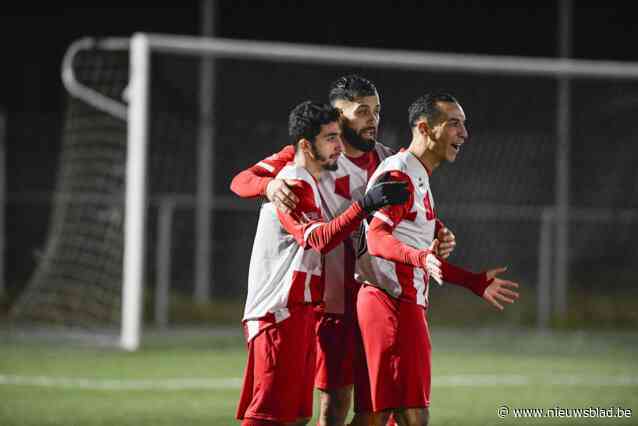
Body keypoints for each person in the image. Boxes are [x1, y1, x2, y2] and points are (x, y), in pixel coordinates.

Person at [231, 75, 458, 426]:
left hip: (375, 295)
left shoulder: (386, 158)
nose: (374, 119)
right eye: (363, 111)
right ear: (338, 116)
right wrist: (269, 184)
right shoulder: (304, 157)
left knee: (377, 411)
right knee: (332, 406)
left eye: (377, 111)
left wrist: (438, 231)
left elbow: (409, 210)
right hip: (329, 303)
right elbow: (240, 181)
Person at [355, 92, 521, 426]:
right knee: (405, 415)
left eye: (465, 124)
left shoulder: (417, 176)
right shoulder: (401, 176)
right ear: (425, 128)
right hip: (391, 305)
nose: (464, 134)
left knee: (386, 415)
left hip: (401, 303)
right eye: (454, 124)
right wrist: (419, 256)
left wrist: (472, 281)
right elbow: (376, 239)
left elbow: (418, 255)